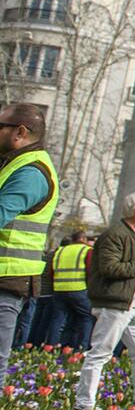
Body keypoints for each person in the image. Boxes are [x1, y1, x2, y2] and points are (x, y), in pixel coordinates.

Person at [75, 193, 135, 410]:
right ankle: (84, 403)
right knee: (101, 352)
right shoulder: (115, 235)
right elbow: (109, 268)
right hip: (116, 304)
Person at [0, 103, 60, 369]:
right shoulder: (15, 165)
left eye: (1, 126)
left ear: (20, 132)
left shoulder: (31, 172)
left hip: (7, 280)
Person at [44, 230, 95, 348]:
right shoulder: (86, 250)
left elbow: (51, 272)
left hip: (59, 289)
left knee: (58, 319)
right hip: (79, 289)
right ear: (84, 239)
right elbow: (90, 271)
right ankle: (81, 348)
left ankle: (50, 346)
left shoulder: (61, 251)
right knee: (87, 316)